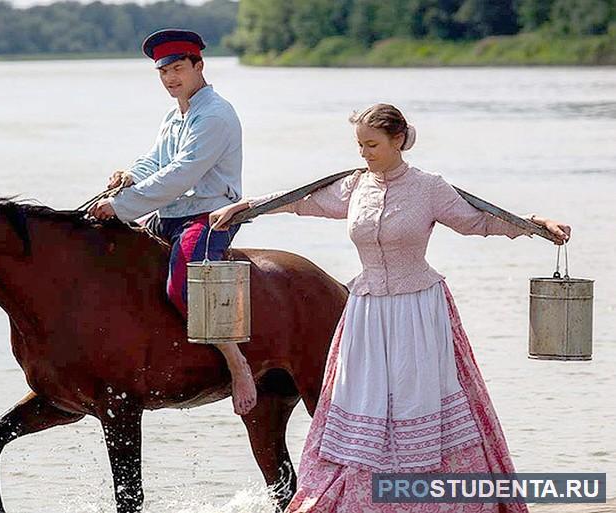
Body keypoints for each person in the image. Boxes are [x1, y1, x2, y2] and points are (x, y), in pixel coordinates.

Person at [210, 103, 571, 512]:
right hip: (367, 313)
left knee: (418, 400)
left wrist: (533, 225)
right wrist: (248, 207)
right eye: (359, 145)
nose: (364, 153)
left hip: (419, 310)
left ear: (398, 140)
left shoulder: (429, 187)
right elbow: (301, 200)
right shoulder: (355, 186)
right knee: (361, 400)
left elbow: (480, 222)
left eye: (372, 144)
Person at [87, 29, 257, 416]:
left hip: (210, 216)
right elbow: (156, 161)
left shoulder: (215, 114)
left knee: (183, 285)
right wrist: (128, 176)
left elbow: (181, 174)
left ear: (199, 65)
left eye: (178, 68)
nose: (170, 79)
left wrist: (121, 206)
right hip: (170, 215)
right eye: (163, 72)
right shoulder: (175, 114)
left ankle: (236, 363)